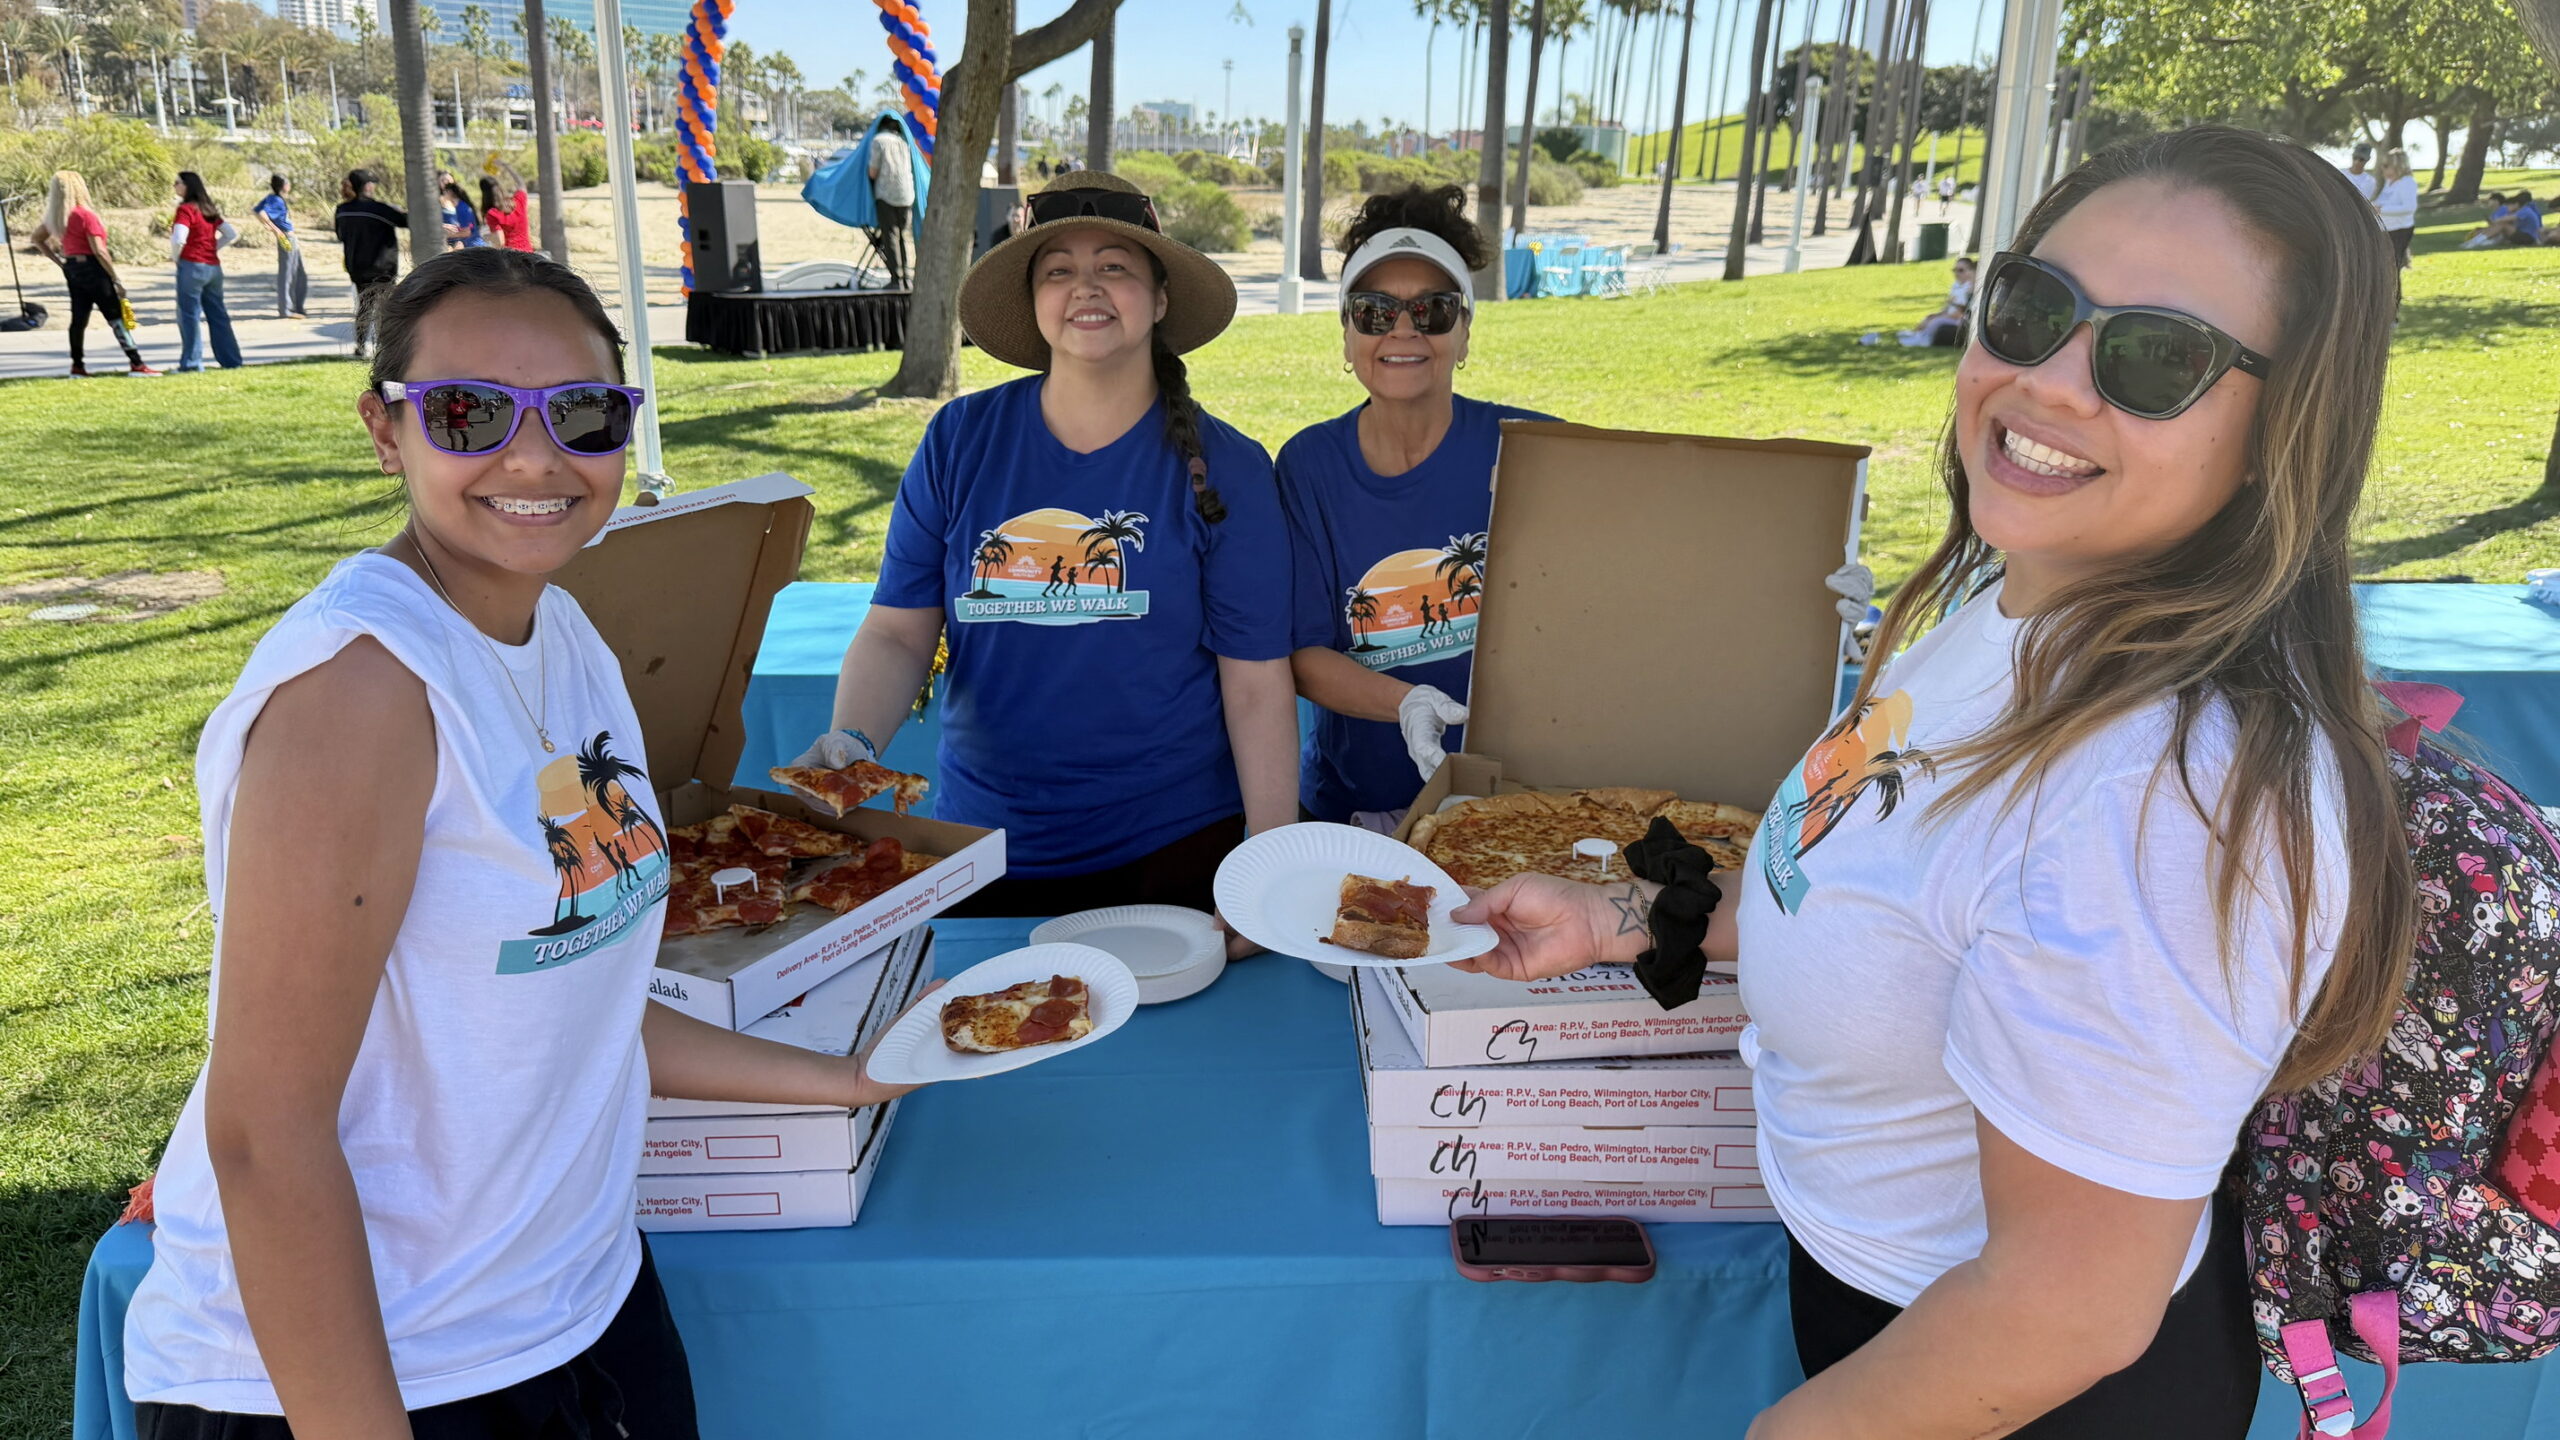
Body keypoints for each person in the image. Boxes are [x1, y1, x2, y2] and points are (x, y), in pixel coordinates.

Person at [1451, 126, 2414, 1439]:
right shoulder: (2012, 600)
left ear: (2279, 431)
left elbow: (2066, 1308)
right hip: (1897, 1310)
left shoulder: (2160, 797)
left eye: (2155, 357)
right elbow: (1868, 879)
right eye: (2032, 309)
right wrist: (1625, 918)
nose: (2050, 382)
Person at [120, 247, 940, 1438]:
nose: (535, 457)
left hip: (577, 1304)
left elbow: (575, 994)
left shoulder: (561, 630)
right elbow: (264, 1138)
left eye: (582, 413)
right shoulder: (362, 691)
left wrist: (853, 1079)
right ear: (386, 430)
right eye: (469, 413)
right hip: (378, 1373)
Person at [804, 170, 1295, 923]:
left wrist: (1266, 869)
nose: (1086, 287)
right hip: (982, 850)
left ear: (1161, 299)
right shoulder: (960, 440)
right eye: (1058, 270)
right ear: (1034, 302)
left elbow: (1256, 682)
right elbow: (898, 632)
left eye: (1115, 267)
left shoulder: (1227, 465)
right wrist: (852, 740)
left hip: (1175, 851)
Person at [1277, 183, 1554, 829]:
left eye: (1433, 310)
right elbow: (1302, 654)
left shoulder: (1535, 448)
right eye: (1374, 311)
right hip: (1355, 806)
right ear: (1347, 336)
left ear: (1465, 333)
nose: (1403, 329)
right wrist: (1408, 702)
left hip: (1515, 800)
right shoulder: (1309, 465)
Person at [31, 169, 159, 377]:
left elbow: (36, 239)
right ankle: (136, 363)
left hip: (72, 268)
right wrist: (115, 278)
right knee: (114, 316)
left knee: (79, 318)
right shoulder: (85, 215)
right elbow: (99, 250)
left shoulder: (56, 218)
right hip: (92, 267)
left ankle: (77, 366)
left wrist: (60, 262)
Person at [169, 171, 243, 373]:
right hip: (213, 267)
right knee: (218, 314)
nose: (175, 185)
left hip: (192, 265)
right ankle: (231, 360)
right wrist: (212, 248)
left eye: (177, 182)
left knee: (189, 315)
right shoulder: (208, 209)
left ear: (187, 186)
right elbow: (231, 234)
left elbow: (179, 238)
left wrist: (177, 258)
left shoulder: (185, 209)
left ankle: (192, 363)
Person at [332, 169, 408, 360]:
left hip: (356, 266)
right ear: (367, 186)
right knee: (384, 308)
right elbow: (405, 221)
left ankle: (360, 345)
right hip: (382, 266)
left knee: (364, 306)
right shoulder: (378, 209)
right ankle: (384, 348)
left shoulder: (342, 211)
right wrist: (398, 210)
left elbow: (340, 235)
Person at [250, 173, 310, 320]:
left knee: (299, 273)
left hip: (290, 237)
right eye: (287, 182)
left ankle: (297, 306)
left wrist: (269, 226)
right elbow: (261, 213)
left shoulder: (272, 198)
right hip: (286, 237)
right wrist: (275, 229)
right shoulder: (276, 200)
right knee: (288, 273)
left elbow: (255, 210)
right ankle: (286, 310)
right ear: (283, 185)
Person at [867, 115, 917, 287]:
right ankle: (906, 277)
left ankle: (896, 279)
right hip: (907, 194)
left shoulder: (878, 141)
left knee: (891, 237)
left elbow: (873, 171)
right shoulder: (904, 141)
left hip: (886, 194)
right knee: (903, 236)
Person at [2374, 148, 2419, 270]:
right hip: (2386, 229)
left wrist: (2382, 210)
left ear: (2397, 166)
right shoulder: (2389, 182)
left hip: (2399, 230)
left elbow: (2409, 207)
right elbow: (2383, 200)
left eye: (2386, 166)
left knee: (2391, 268)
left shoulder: (2407, 182)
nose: (2383, 169)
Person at [481, 164, 534, 252]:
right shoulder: (518, 201)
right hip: (528, 253)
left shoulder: (492, 213)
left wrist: (486, 237)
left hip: (511, 256)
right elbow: (521, 184)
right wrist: (506, 166)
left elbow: (500, 242)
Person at [441, 180, 482, 250]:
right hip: (472, 246)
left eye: (445, 192)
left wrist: (447, 235)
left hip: (474, 247)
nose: (443, 194)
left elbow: (467, 232)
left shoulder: (462, 209)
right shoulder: (460, 206)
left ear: (450, 192)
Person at [2341, 140, 2378, 206]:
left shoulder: (2370, 181)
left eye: (2361, 159)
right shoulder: (2340, 174)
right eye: (2355, 158)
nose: (2357, 162)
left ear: (2368, 159)